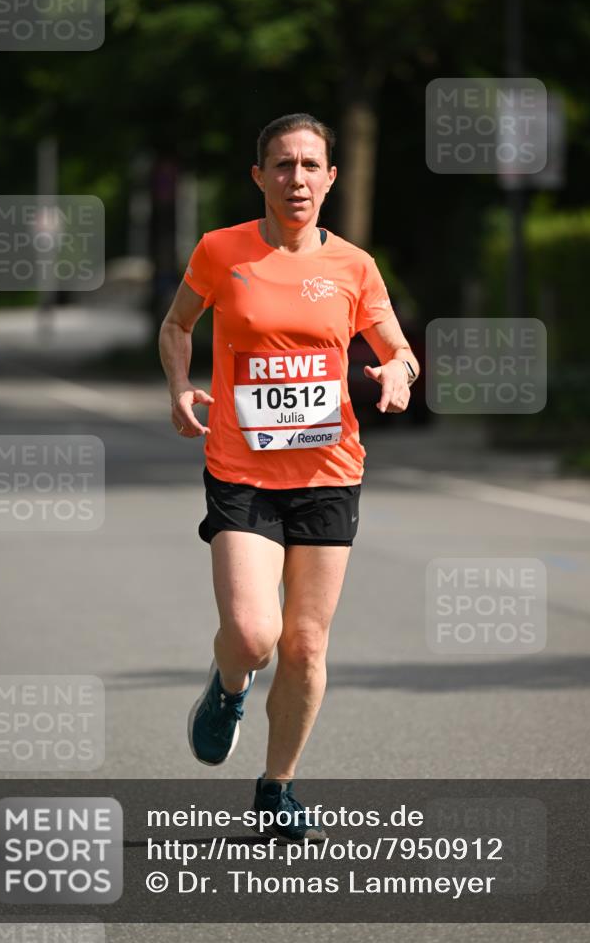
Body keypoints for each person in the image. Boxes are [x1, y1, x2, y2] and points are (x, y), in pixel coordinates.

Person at [159, 113, 419, 842]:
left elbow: (396, 346)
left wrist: (396, 373)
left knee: (305, 645)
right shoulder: (221, 251)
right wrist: (180, 386)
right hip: (240, 468)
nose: (295, 179)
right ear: (259, 176)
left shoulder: (354, 266)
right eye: (281, 165)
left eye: (309, 166)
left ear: (330, 177)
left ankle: (276, 789)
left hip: (329, 470)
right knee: (251, 633)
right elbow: (177, 325)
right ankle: (230, 685)